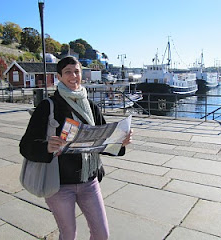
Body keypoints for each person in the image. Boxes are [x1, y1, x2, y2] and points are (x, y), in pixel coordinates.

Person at [20, 56, 132, 240]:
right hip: (59, 184)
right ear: (59, 76)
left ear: (82, 74)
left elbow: (101, 142)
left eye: (77, 71)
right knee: (68, 234)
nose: (73, 76)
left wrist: (120, 142)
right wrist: (46, 147)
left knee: (102, 234)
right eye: (68, 72)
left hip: (89, 181)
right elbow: (26, 146)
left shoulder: (91, 106)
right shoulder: (48, 106)